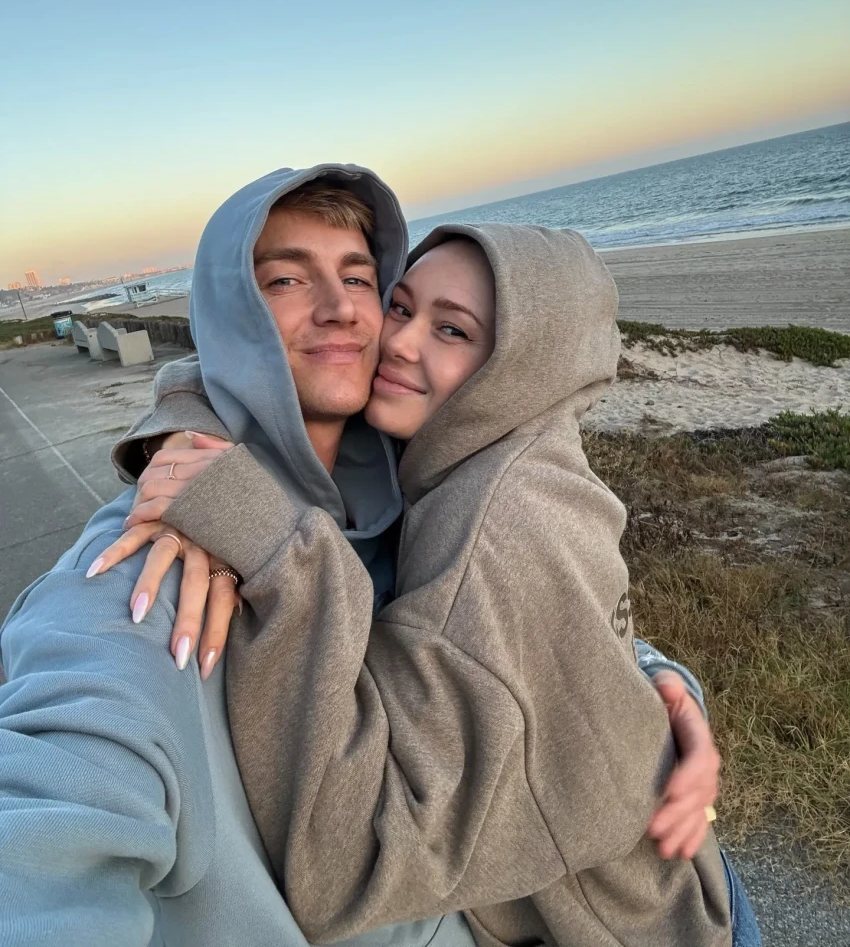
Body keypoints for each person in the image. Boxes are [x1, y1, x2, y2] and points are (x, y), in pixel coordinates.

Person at [0, 167, 726, 945]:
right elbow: (52, 805)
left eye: (358, 278)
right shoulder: (142, 571)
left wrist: (657, 682)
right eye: (285, 279)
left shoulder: (420, 484)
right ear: (230, 314)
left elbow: (521, 625)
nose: (345, 308)